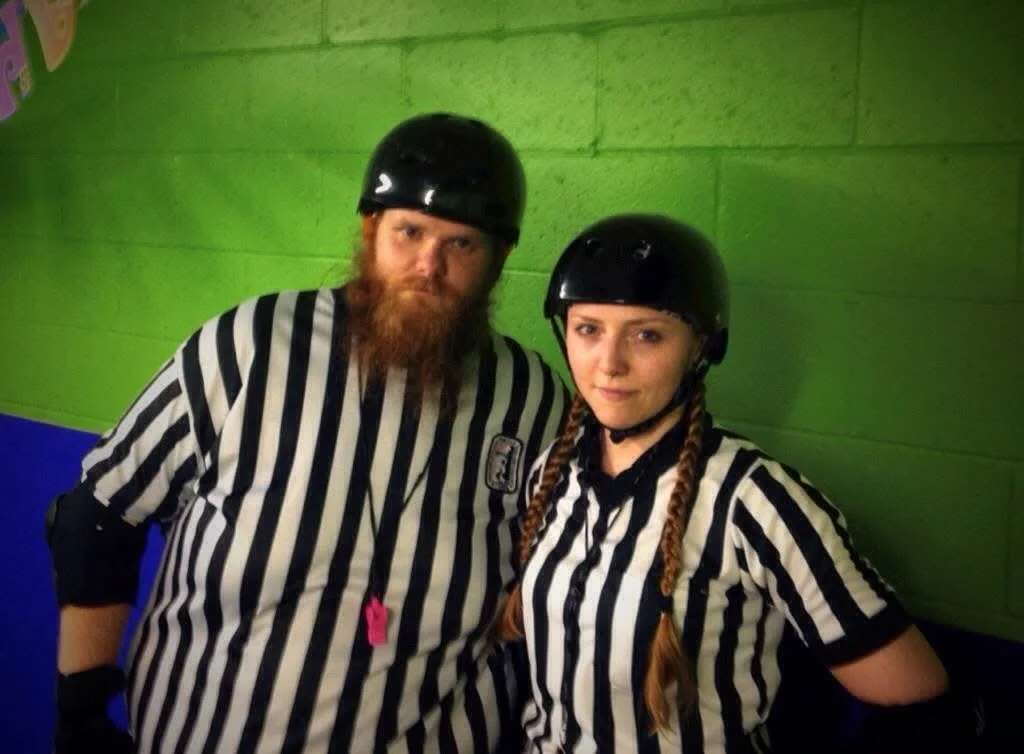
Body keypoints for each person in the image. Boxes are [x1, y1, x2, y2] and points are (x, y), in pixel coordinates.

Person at [45, 112, 568, 754]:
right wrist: (80, 713)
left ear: (500, 257)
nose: (428, 266)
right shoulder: (251, 346)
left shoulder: (534, 400)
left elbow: (559, 596)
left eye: (462, 245)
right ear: (370, 228)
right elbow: (97, 519)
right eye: (409, 232)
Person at [497, 214, 985, 753]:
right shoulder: (553, 470)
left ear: (700, 348)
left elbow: (927, 707)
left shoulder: (756, 499)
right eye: (588, 329)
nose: (609, 364)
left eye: (647, 334)